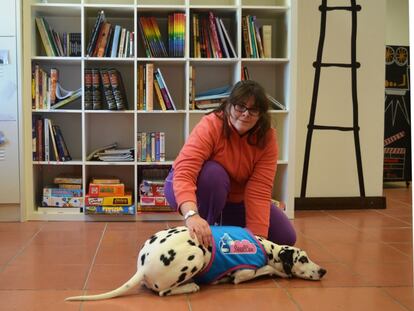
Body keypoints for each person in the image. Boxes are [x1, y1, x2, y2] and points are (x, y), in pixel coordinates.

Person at [164, 80, 296, 247]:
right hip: (193, 187)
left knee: (285, 236)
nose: (246, 114)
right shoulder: (211, 124)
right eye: (240, 106)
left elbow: (260, 189)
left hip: (234, 199)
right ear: (228, 105)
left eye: (253, 110)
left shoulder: (267, 138)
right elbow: (185, 172)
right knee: (214, 174)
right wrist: (191, 214)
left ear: (261, 114)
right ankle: (202, 233)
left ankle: (221, 228)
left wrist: (256, 241)